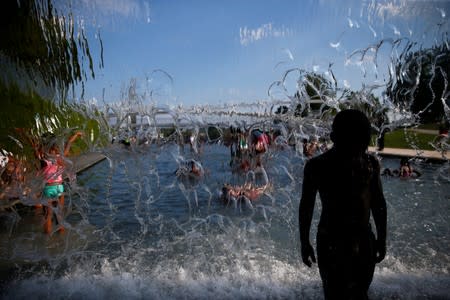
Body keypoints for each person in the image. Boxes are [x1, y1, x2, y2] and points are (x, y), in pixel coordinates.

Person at [299, 109, 387, 300]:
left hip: (362, 239)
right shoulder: (318, 166)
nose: (361, 149)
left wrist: (381, 238)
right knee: (334, 292)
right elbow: (306, 206)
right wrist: (304, 242)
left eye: (364, 143)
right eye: (357, 143)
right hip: (332, 241)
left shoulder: (369, 163)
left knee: (359, 291)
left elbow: (378, 203)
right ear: (334, 138)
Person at [36, 131, 83, 234]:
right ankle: (61, 237)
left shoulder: (43, 157)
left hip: (48, 188)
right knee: (59, 215)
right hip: (59, 188)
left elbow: (36, 147)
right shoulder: (59, 156)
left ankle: (47, 241)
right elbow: (68, 143)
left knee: (48, 215)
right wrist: (75, 135)